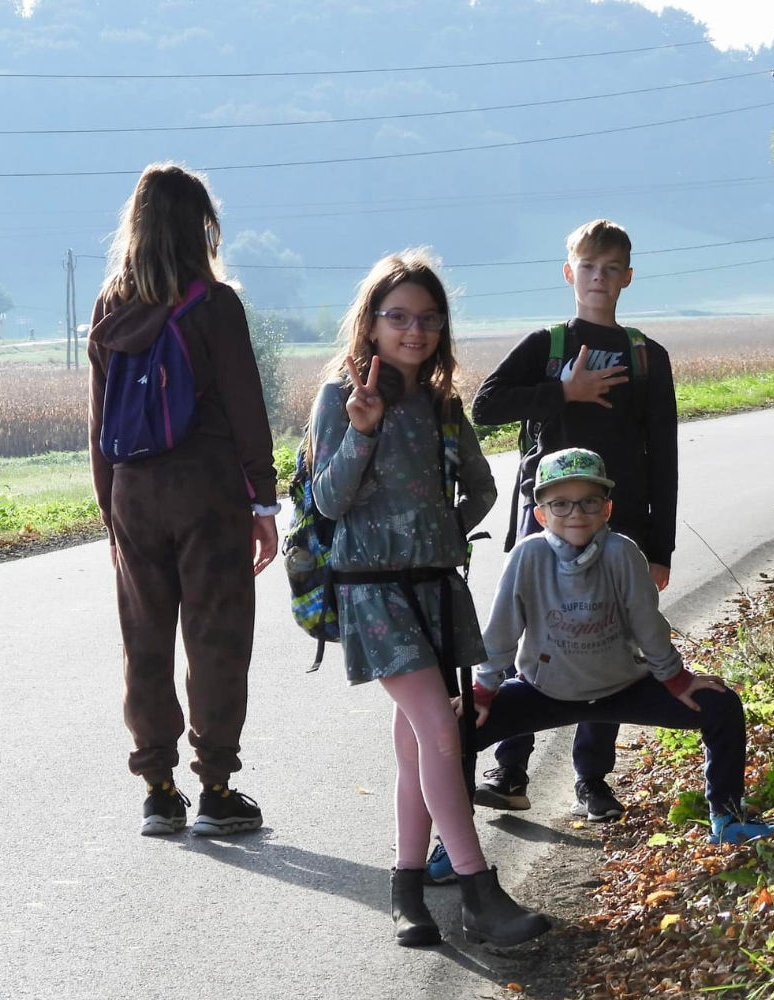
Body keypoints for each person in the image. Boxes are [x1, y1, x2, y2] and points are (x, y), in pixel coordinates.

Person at [308, 249, 552, 949]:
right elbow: (328, 499)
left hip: (436, 592)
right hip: (373, 594)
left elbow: (480, 486)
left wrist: (441, 531)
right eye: (398, 318)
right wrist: (360, 431)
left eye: (428, 318)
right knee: (442, 730)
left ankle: (406, 889)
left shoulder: (443, 406)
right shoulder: (340, 400)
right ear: (372, 324)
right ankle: (478, 889)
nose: (414, 331)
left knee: (420, 742)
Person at [87, 163, 279, 838]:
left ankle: (159, 790)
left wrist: (111, 507)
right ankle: (218, 788)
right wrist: (264, 501)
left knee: (144, 640)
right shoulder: (213, 305)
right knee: (216, 638)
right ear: (202, 227)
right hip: (209, 491)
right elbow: (246, 407)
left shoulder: (111, 306)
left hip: (135, 491)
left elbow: (98, 420)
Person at [467, 218, 678, 825]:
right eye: (589, 267)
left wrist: (657, 547)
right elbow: (485, 407)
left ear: (628, 278)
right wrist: (564, 392)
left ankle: (592, 781)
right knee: (530, 641)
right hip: (543, 528)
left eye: (612, 269)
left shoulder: (647, 357)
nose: (599, 278)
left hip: (624, 529)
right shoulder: (547, 345)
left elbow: (663, 456)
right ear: (570, 272)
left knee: (611, 645)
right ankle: (509, 771)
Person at [466, 447, 774, 846]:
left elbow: (648, 626)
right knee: (453, 732)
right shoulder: (528, 556)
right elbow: (500, 634)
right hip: (545, 691)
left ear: (607, 509)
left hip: (622, 688)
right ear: (541, 514)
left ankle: (728, 817)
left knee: (722, 706)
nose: (576, 513)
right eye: (560, 504)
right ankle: (454, 846)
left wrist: (679, 680)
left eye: (589, 502)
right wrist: (482, 691)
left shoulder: (623, 553)